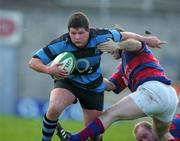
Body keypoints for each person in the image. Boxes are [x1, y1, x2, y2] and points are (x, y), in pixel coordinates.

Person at [29, 11, 163, 141]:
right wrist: (49, 69)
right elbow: (33, 62)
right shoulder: (61, 43)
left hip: (93, 88)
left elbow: (124, 36)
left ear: (88, 30)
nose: (77, 37)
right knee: (54, 108)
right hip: (69, 82)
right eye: (73, 33)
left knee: (94, 134)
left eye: (80, 33)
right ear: (68, 32)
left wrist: (146, 39)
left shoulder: (101, 37)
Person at [56, 33, 178, 141]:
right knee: (162, 135)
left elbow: (136, 43)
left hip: (154, 90)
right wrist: (80, 77)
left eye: (109, 49)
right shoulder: (123, 69)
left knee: (110, 114)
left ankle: (75, 139)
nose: (109, 52)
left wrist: (117, 45)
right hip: (169, 96)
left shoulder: (129, 50)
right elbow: (109, 85)